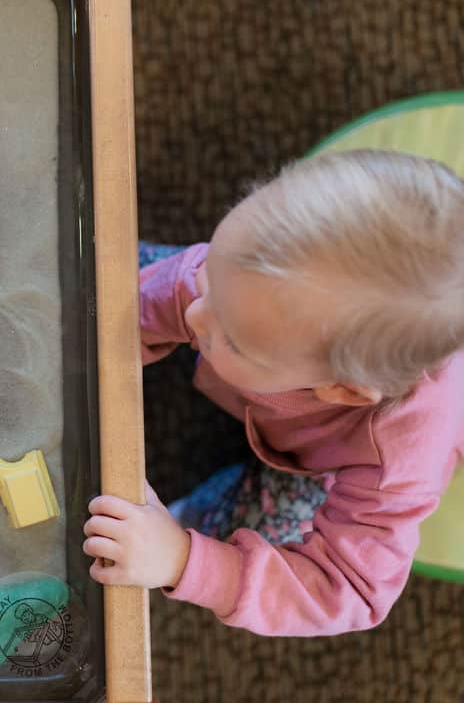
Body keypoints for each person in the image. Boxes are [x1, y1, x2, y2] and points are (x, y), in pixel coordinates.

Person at [82, 149, 464, 636]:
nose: (197, 317)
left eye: (235, 337)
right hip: (267, 350)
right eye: (212, 276)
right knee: (124, 285)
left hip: (316, 465)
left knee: (240, 535)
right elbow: (184, 299)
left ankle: (188, 521)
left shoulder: (397, 463)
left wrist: (183, 558)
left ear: (340, 390)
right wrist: (108, 332)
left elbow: (344, 590)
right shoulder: (249, 289)